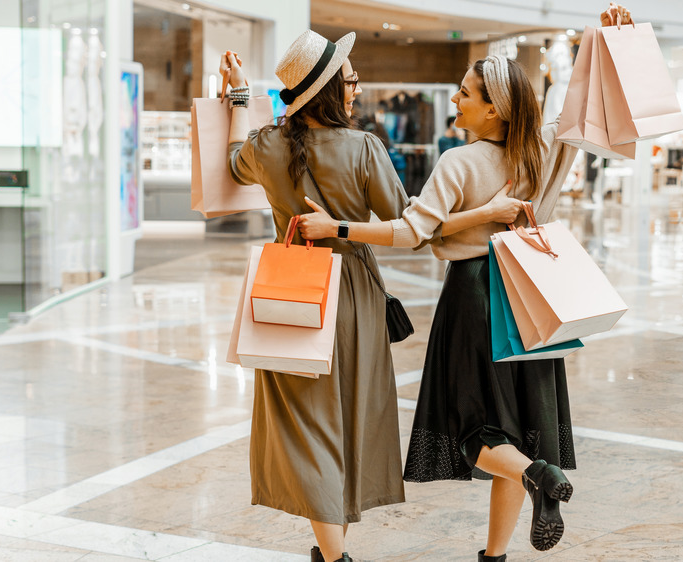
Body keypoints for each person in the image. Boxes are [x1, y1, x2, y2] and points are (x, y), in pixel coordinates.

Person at [220, 30, 521, 562]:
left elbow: (231, 159)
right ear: (331, 90)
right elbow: (413, 225)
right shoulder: (363, 149)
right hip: (353, 297)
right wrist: (484, 214)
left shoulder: (266, 146)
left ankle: (334, 557)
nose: (356, 87)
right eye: (350, 79)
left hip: (289, 297)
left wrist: (240, 95)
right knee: (347, 415)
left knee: (305, 424)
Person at [299, 53, 581, 560]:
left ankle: (539, 474)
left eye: (465, 93)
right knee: (516, 434)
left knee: (474, 434)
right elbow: (590, 105)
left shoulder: (459, 161)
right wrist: (605, 38)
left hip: (476, 294)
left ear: (494, 110)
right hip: (531, 296)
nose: (455, 99)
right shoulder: (540, 150)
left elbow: (410, 232)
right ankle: (497, 552)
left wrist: (335, 228)